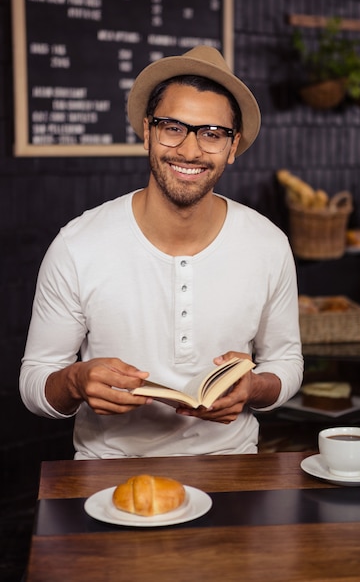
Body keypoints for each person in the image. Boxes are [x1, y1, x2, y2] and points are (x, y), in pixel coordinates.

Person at [20, 46, 303, 458]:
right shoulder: (77, 245)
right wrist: (75, 382)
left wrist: (255, 387)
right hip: (108, 469)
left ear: (232, 146)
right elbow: (34, 381)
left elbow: (286, 360)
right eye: (173, 127)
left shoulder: (269, 244)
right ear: (148, 132)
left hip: (232, 466)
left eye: (211, 134)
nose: (190, 151)